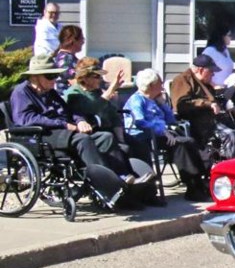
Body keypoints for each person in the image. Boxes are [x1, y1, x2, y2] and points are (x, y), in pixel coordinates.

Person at [10, 55, 152, 208]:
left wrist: (80, 121)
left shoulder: (50, 92)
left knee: (105, 137)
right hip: (42, 135)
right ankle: (107, 187)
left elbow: (70, 111)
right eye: (50, 76)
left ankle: (124, 178)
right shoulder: (21, 93)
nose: (54, 79)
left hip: (64, 132)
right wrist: (64, 124)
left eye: (55, 75)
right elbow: (26, 119)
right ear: (35, 77)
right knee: (83, 140)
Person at [125, 69, 210, 202]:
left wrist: (163, 104)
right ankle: (192, 186)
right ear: (151, 85)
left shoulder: (154, 100)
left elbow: (171, 120)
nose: (163, 84)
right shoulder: (137, 100)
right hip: (144, 137)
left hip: (161, 135)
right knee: (180, 144)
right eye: (160, 82)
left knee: (189, 141)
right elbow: (139, 121)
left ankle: (199, 181)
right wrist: (161, 130)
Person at [170, 54, 235, 160]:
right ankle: (228, 170)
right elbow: (181, 104)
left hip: (215, 119)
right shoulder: (182, 80)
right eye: (211, 71)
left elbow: (214, 98)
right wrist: (208, 104)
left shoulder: (204, 82)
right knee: (230, 135)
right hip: (198, 122)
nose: (213, 74)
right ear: (200, 70)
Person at [52, 25, 86, 93]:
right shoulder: (66, 60)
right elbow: (78, 84)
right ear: (73, 40)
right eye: (82, 38)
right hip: (69, 101)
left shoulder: (65, 57)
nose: (83, 42)